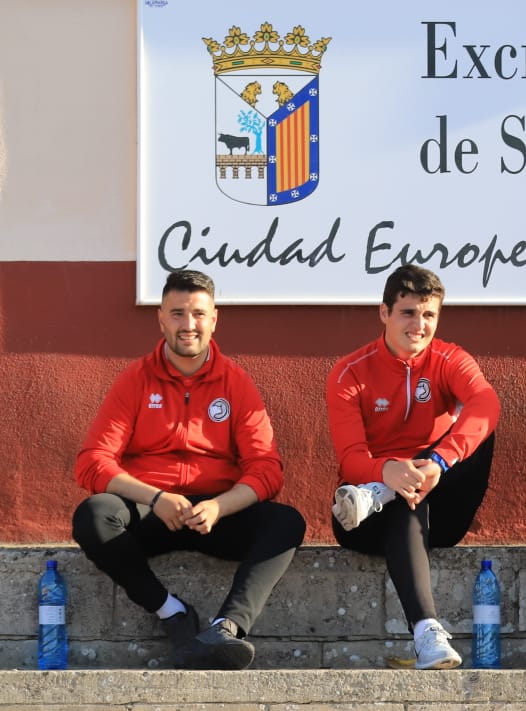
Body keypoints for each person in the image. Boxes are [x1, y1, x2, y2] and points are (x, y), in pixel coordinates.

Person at [73, 269, 304, 670]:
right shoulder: (134, 380)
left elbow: (267, 470)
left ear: (214, 319)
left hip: (214, 516)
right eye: (177, 314)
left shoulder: (236, 382)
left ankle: (226, 628)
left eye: (198, 314)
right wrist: (155, 498)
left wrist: (219, 507)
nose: (188, 325)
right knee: (93, 515)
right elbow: (92, 462)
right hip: (153, 512)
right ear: (161, 319)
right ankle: (173, 613)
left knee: (286, 523)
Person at [327, 264, 500, 670]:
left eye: (429, 315)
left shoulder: (448, 358)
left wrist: (438, 462)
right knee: (405, 498)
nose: (419, 325)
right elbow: (350, 458)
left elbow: (486, 404)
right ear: (384, 313)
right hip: (361, 517)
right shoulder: (349, 372)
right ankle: (427, 633)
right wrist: (387, 471)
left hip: (440, 506)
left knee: (479, 431)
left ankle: (391, 489)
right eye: (408, 313)